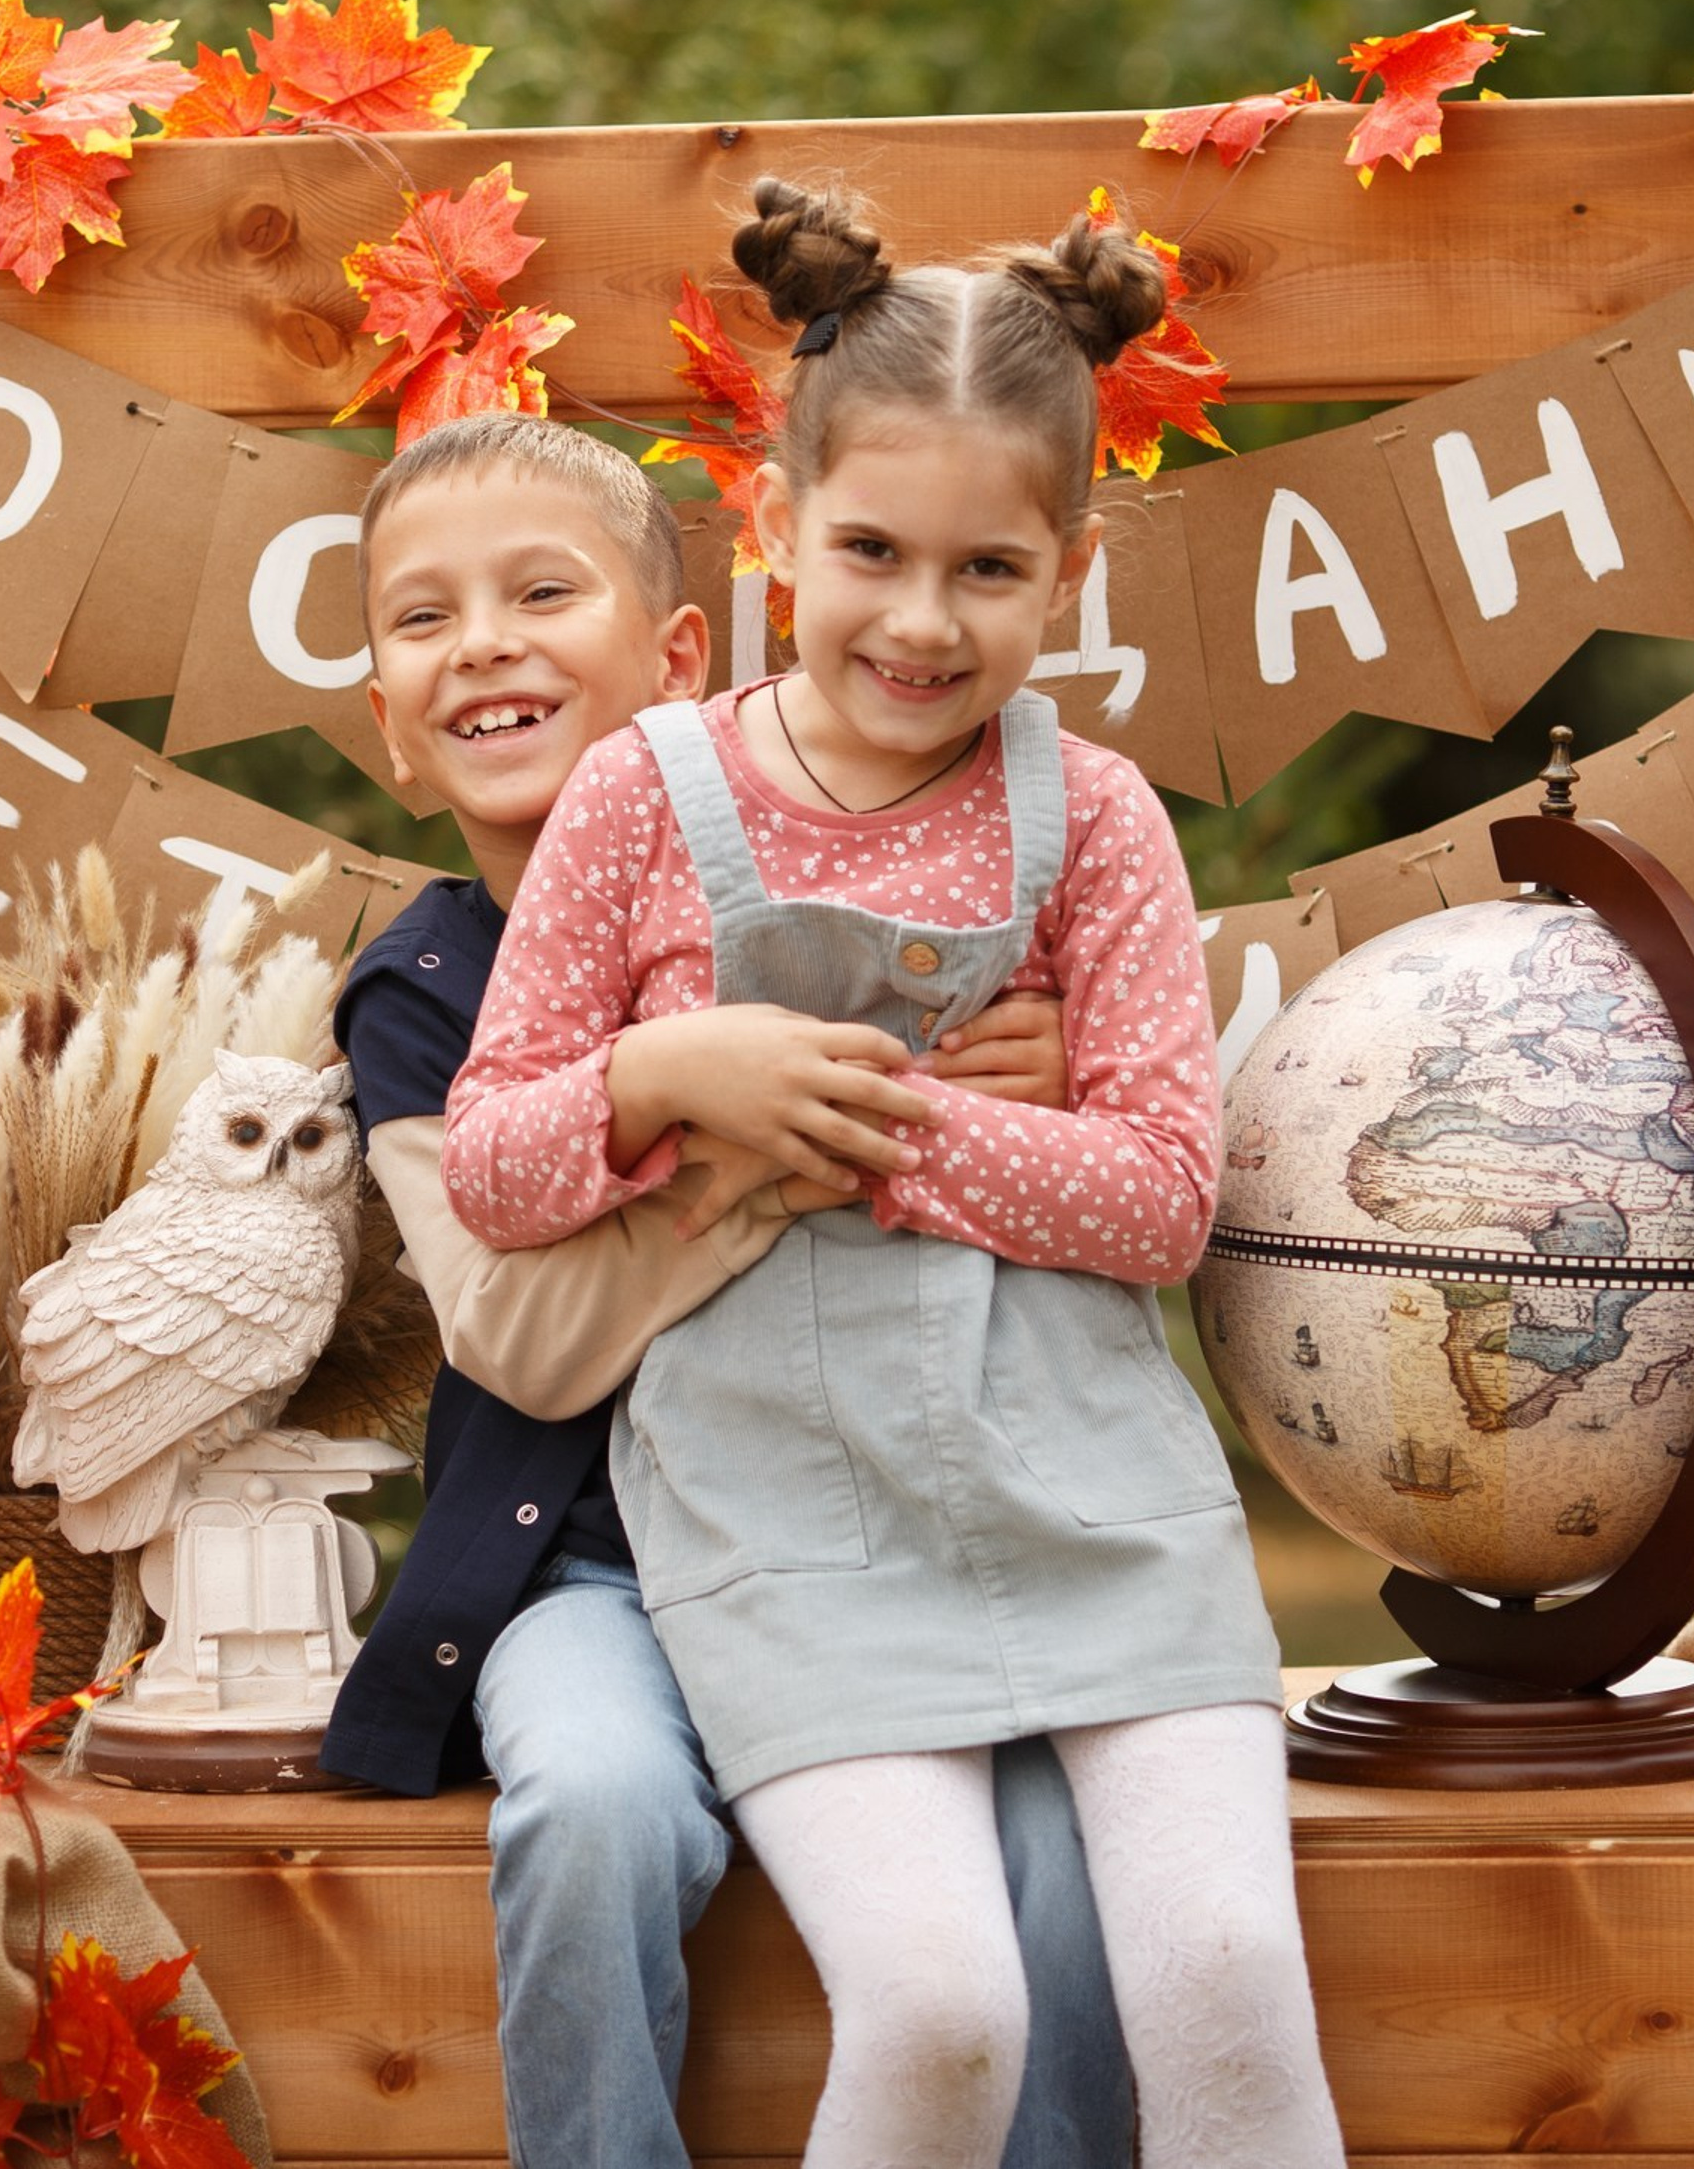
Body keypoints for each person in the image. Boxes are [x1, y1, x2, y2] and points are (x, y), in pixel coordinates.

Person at [440, 179, 1344, 2169]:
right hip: (788, 1515)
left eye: (986, 568)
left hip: (1094, 1486)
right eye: (867, 550)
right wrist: (675, 1065)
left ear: (1068, 569)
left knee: (1218, 1978)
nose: (920, 621)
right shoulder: (640, 795)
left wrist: (864, 1118)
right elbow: (499, 1163)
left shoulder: (1090, 814)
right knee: (935, 2007)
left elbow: (1158, 1193)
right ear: (769, 527)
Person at [321, 413, 1137, 2169]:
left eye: (544, 590)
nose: (484, 642)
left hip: (900, 1536)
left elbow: (1105, 1148)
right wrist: (718, 1112)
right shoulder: (417, 992)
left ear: (685, 661)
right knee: (592, 1806)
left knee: (1077, 1853)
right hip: (595, 1559)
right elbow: (526, 1344)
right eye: (421, 620)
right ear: (388, 728)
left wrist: (1046, 1074)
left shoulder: (895, 870)